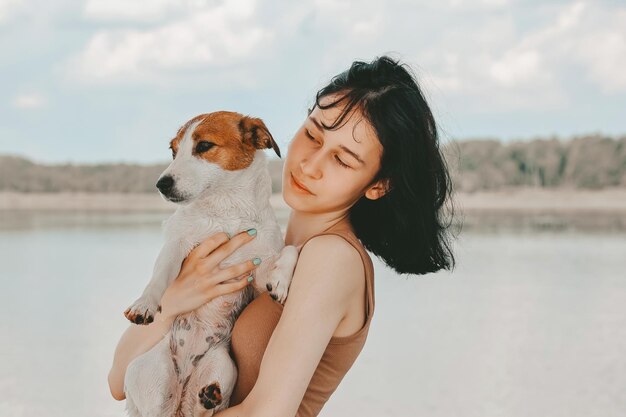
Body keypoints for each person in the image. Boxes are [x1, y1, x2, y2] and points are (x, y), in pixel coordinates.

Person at [108, 55, 457, 417]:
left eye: (343, 159)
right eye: (313, 134)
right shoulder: (272, 249)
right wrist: (172, 304)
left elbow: (266, 414)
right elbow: (118, 381)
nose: (310, 164)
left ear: (378, 185)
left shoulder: (331, 258)